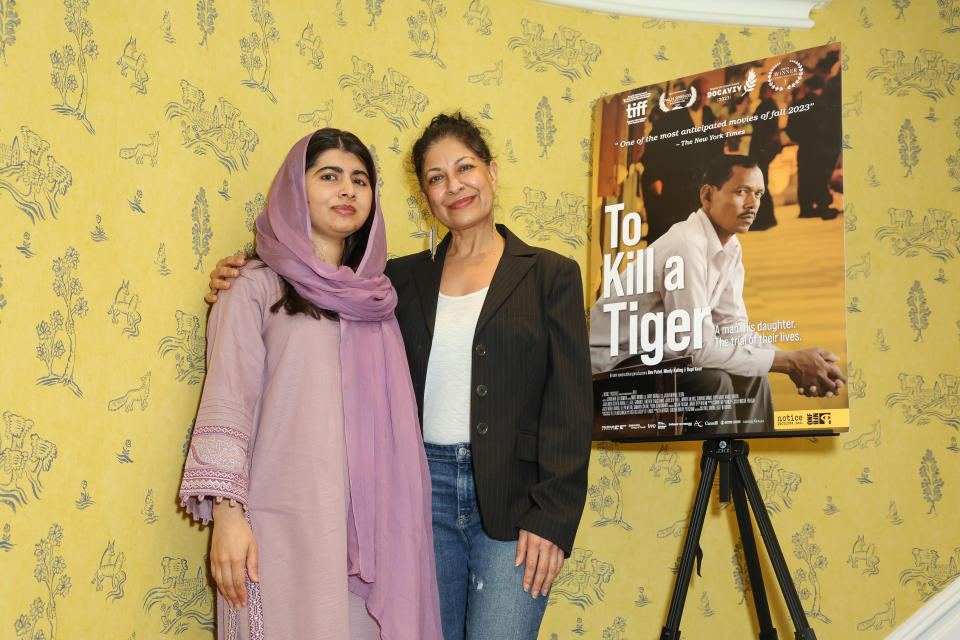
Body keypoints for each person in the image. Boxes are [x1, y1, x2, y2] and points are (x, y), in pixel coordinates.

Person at [207, 114, 593, 640]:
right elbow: (302, 289)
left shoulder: (548, 274)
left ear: (493, 173)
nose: (454, 185)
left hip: (513, 501)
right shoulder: (395, 283)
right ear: (424, 196)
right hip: (417, 496)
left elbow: (570, 409)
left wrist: (554, 517)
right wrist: (239, 271)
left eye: (465, 168)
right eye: (436, 177)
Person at [180, 128, 442, 639]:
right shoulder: (253, 285)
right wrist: (228, 522)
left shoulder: (377, 301)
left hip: (368, 536)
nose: (347, 190)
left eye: (360, 180)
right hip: (280, 521)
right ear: (294, 191)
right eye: (329, 176)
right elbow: (228, 400)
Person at [590, 155, 846, 433]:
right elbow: (696, 348)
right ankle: (715, 472)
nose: (752, 204)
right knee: (714, 383)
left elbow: (733, 328)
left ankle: (750, 460)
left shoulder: (730, 247)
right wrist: (790, 363)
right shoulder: (685, 247)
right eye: (741, 192)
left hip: (655, 359)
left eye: (758, 194)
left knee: (752, 375)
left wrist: (796, 358)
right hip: (610, 372)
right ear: (708, 195)